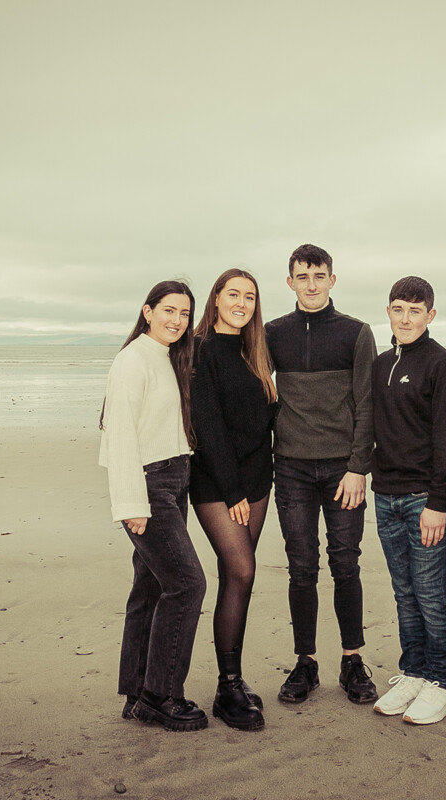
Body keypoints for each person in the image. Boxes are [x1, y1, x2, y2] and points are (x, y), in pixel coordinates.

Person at [265, 243, 378, 705]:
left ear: (332, 280)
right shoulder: (272, 333)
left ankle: (352, 660)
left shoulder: (356, 333)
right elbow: (253, 388)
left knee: (345, 563)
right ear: (289, 282)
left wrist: (358, 467)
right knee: (301, 567)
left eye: (319, 276)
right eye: (302, 277)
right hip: (290, 467)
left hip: (341, 470)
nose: (311, 285)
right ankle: (305, 663)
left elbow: (368, 404)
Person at [99, 280, 209, 732]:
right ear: (147, 311)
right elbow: (119, 432)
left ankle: (135, 691)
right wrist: (131, 503)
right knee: (187, 585)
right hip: (148, 485)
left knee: (150, 587)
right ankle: (161, 695)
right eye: (168, 310)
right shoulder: (132, 361)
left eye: (184, 313)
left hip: (174, 477)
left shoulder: (168, 357)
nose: (176, 320)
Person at [369, 276, 446, 725]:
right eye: (397, 309)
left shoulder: (442, 365)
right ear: (388, 312)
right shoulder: (381, 362)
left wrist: (439, 502)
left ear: (430, 315)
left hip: (425, 498)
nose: (405, 318)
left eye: (415, 310)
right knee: (404, 591)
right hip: (385, 496)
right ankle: (414, 671)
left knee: (430, 592)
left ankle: (442, 682)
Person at [189, 268, 276, 731]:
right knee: (243, 570)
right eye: (234, 294)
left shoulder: (252, 352)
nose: (242, 303)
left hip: (259, 480)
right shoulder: (201, 350)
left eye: (250, 296)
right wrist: (233, 491)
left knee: (235, 578)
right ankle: (227, 685)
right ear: (217, 299)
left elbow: (261, 421)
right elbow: (207, 427)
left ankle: (233, 682)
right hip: (218, 483)